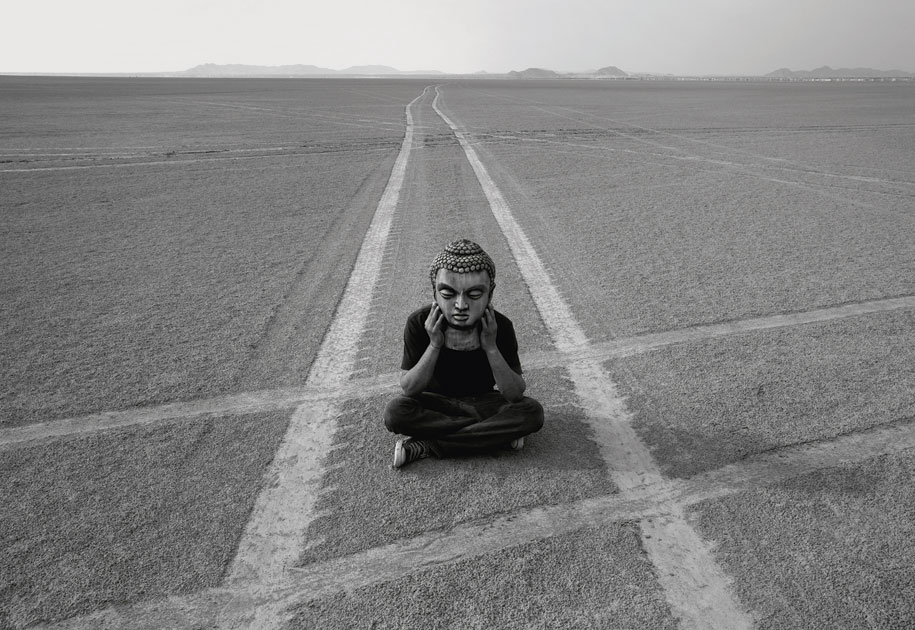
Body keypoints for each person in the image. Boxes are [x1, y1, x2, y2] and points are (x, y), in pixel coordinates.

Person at [383, 238, 544, 468]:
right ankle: (495, 435)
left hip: (483, 402)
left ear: (491, 293)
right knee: (396, 412)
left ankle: (429, 445)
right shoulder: (419, 323)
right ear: (434, 293)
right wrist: (434, 344)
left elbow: (515, 394)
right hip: (436, 404)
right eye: (448, 294)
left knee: (531, 412)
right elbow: (409, 388)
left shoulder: (500, 326)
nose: (460, 305)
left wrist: (490, 346)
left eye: (474, 294)